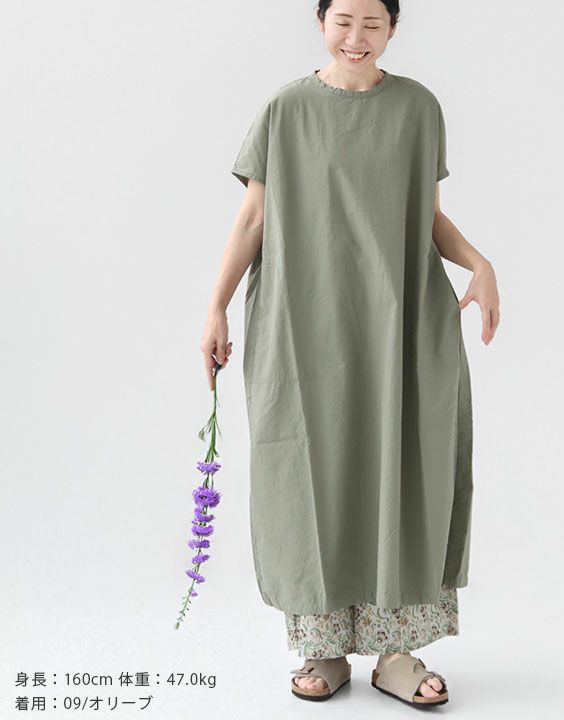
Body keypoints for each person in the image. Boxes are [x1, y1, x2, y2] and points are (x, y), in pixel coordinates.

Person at [200, 0, 500, 707]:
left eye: (371, 23)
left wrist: (478, 262)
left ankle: (398, 651)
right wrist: (215, 305)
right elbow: (253, 216)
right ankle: (324, 647)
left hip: (400, 318)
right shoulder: (286, 110)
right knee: (313, 468)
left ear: (393, 27)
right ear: (321, 23)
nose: (356, 37)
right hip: (305, 319)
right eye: (343, 21)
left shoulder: (418, 108)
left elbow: (423, 214)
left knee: (406, 467)